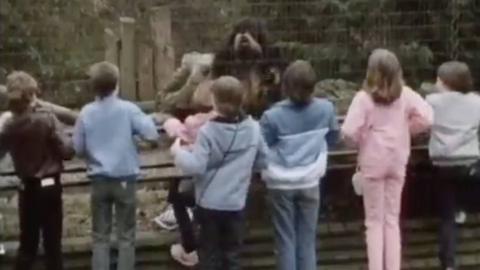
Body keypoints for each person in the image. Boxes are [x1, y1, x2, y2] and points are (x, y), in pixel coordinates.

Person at [341, 49, 433, 270]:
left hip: (372, 163)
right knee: (392, 220)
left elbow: (348, 132)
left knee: (374, 222)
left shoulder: (363, 99)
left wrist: (363, 138)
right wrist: (407, 129)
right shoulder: (407, 95)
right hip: (397, 161)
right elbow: (428, 118)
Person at [171, 76, 267, 270]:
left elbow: (196, 166)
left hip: (209, 204)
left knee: (209, 255)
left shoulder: (208, 131)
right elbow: (263, 160)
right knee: (232, 255)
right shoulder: (254, 129)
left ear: (214, 101)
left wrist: (177, 153)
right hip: (236, 203)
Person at [73, 61, 159, 270]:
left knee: (100, 236)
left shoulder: (86, 112)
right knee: (126, 235)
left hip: (99, 179)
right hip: (125, 179)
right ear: (117, 84)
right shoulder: (129, 109)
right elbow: (152, 134)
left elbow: (77, 147)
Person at [260, 60, 339, 270]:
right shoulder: (326, 109)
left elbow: (261, 147)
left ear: (284, 86)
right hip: (310, 180)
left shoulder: (272, 116)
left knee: (285, 239)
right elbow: (333, 137)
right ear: (313, 86)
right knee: (307, 240)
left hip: (280, 184)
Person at [0, 71, 74, 270]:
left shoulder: (9, 125)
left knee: (27, 246)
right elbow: (67, 151)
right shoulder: (47, 119)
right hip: (50, 187)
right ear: (32, 95)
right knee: (53, 246)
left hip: (28, 188)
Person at [426, 61, 479, 270]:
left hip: (442, 164)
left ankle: (448, 264)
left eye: (438, 79)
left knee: (445, 216)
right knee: (464, 190)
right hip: (470, 163)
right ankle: (462, 209)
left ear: (446, 82)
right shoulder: (476, 101)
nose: (435, 83)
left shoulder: (431, 101)